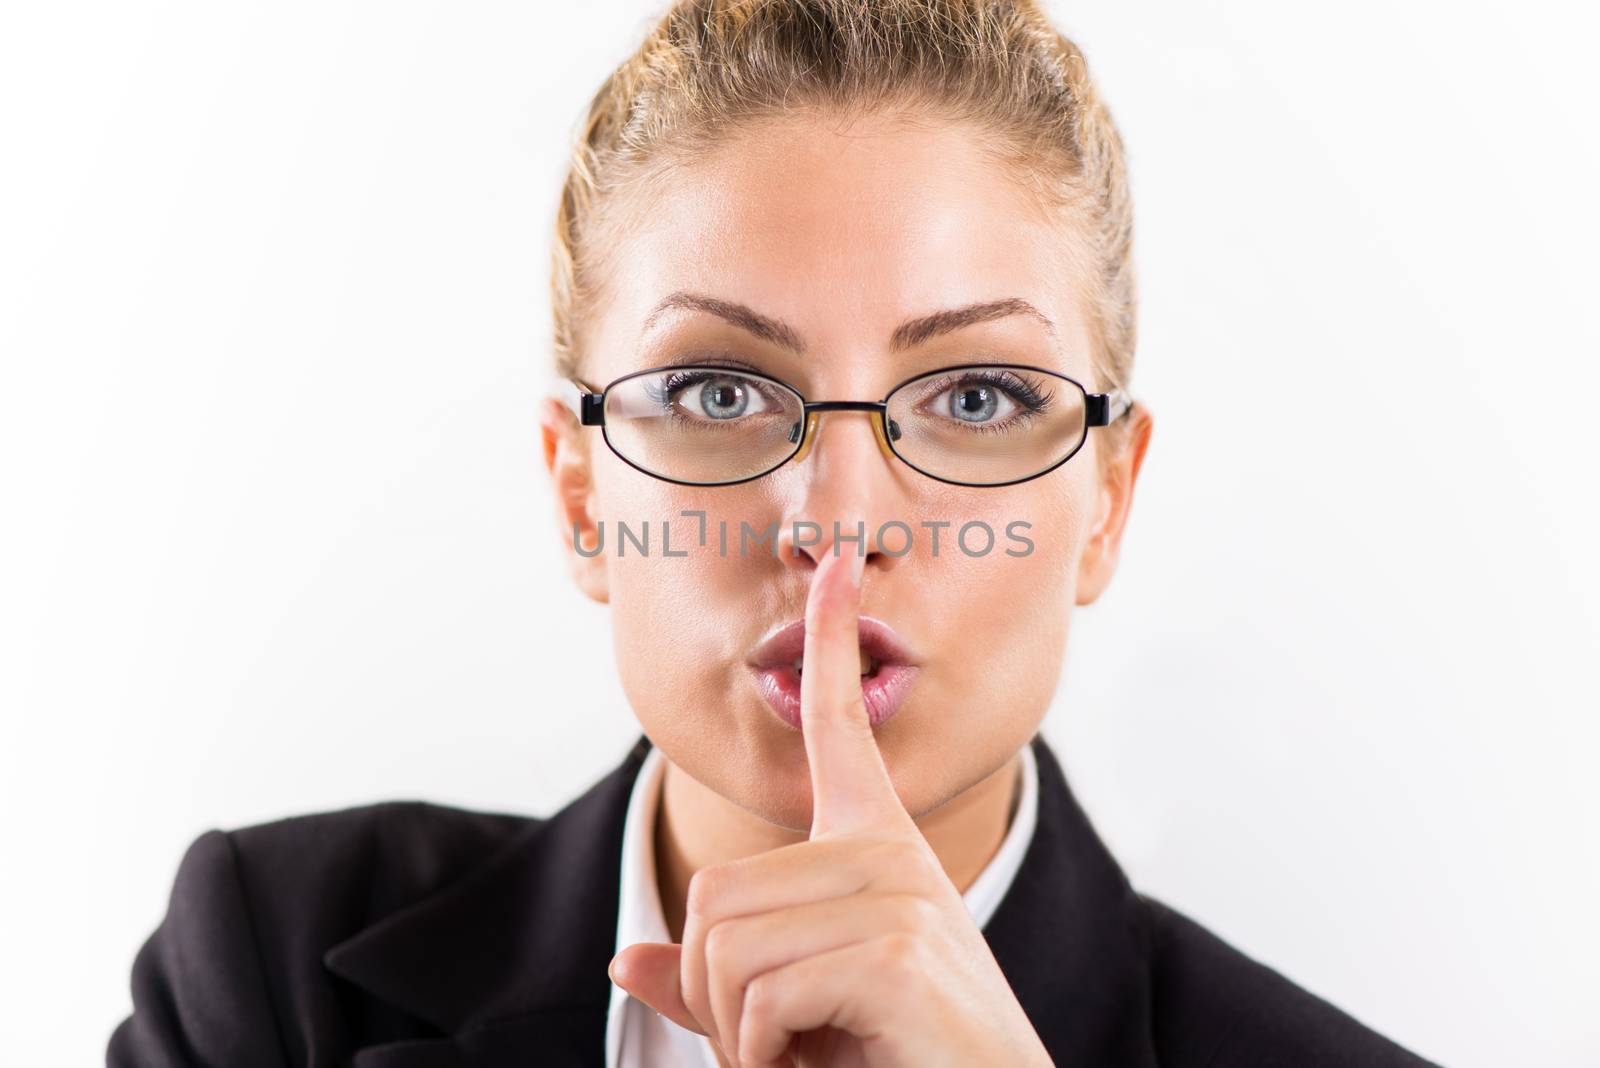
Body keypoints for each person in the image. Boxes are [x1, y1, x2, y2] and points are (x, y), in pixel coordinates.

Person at [109, 2, 1442, 1065]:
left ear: (1106, 503)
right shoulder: (274, 971)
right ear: (582, 497)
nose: (839, 521)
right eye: (718, 393)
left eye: (978, 396)